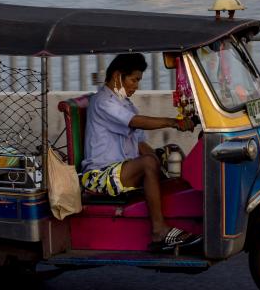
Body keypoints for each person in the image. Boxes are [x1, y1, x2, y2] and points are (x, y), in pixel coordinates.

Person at [80, 53, 200, 252]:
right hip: (100, 176)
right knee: (147, 163)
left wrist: (159, 162)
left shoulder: (126, 104)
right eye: (133, 80)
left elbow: (140, 144)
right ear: (118, 76)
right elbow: (135, 122)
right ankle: (159, 231)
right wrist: (173, 122)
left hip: (121, 170)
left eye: (138, 81)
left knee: (169, 152)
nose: (136, 86)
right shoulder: (103, 101)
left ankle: (181, 213)